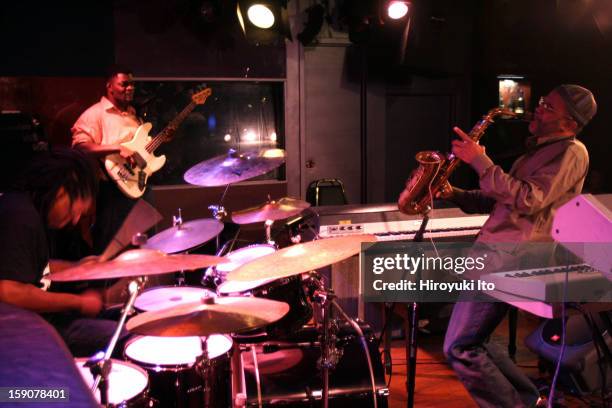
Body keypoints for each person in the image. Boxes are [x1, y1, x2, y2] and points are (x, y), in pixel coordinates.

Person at [441, 84, 597, 407]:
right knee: (476, 341)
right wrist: (453, 193)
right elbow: (502, 198)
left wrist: (480, 161)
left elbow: (528, 198)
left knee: (460, 347)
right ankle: (529, 400)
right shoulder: (539, 149)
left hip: (511, 259)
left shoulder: (572, 152)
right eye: (542, 102)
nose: (538, 108)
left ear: (570, 123)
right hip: (495, 254)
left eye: (549, 107)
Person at [0, 148, 129, 357]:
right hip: (26, 333)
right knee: (122, 337)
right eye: (74, 211)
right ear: (61, 191)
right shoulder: (20, 217)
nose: (75, 221)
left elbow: (33, 266)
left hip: (42, 321)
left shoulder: (28, 210)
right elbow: (9, 291)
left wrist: (79, 268)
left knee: (126, 317)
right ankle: (69, 392)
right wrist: (78, 302)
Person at [71, 65, 144, 254]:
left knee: (142, 246)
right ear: (109, 86)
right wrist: (117, 148)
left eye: (132, 84)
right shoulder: (94, 114)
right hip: (112, 191)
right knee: (111, 250)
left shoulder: (133, 115)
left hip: (138, 185)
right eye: (124, 84)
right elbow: (80, 147)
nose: (130, 88)